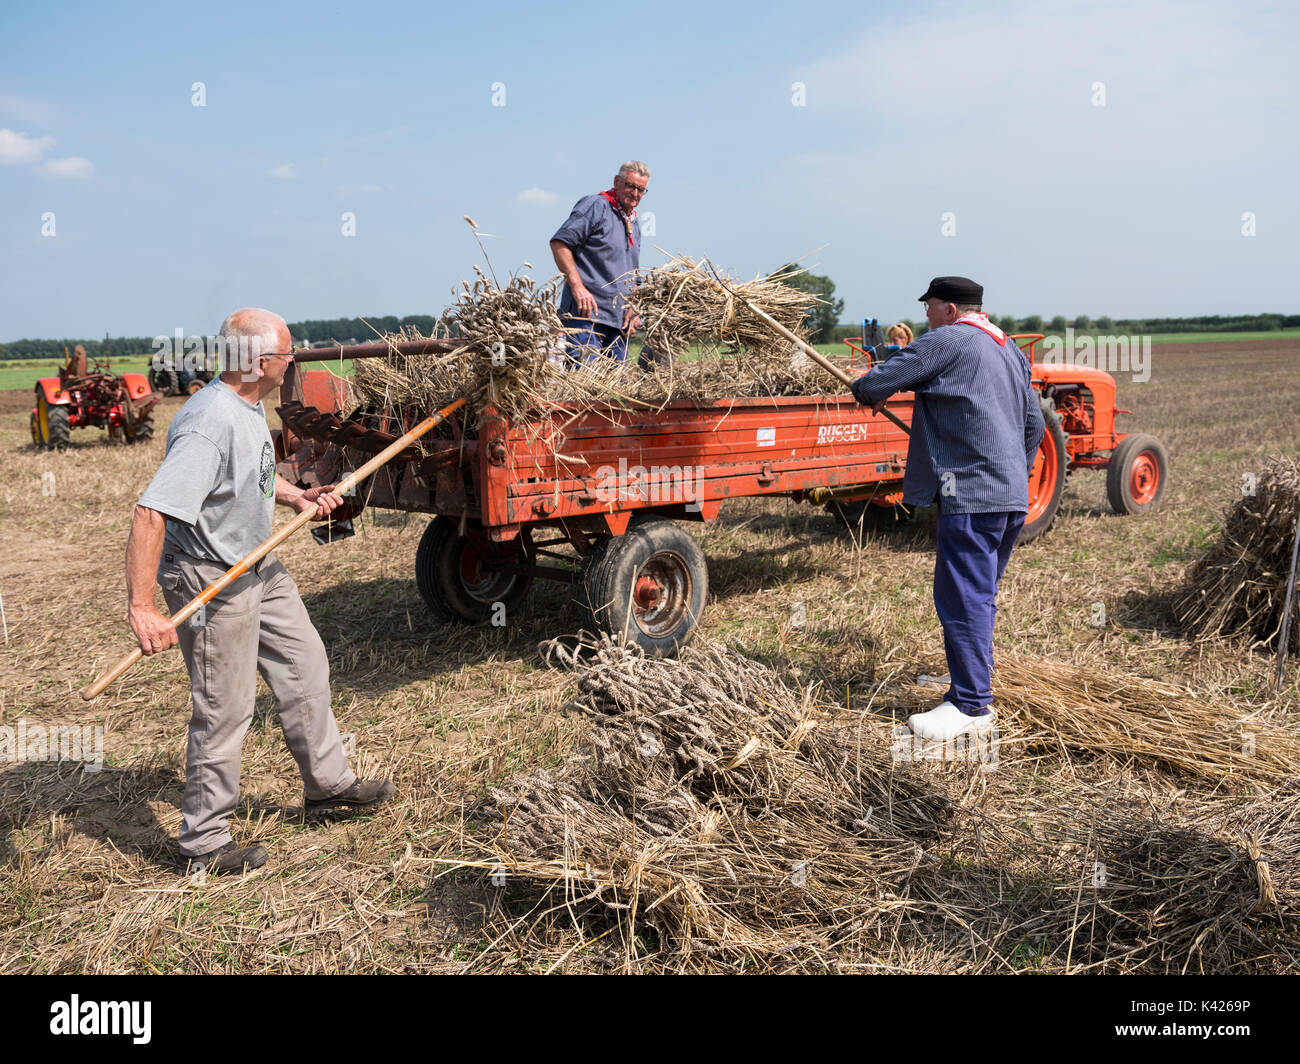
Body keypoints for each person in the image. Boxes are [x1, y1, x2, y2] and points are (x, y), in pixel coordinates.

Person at [127, 308, 396, 875]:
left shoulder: (248, 408)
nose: (293, 361)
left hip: (257, 563)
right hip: (209, 574)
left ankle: (327, 786)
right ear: (257, 362)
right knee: (226, 708)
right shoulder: (209, 423)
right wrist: (142, 606)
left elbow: (244, 481)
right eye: (286, 354)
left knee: (304, 662)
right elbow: (152, 511)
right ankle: (202, 842)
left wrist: (296, 497)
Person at [850, 277, 1045, 742]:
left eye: (931, 309)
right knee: (980, 593)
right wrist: (1013, 473)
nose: (926, 318)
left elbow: (877, 381)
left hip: (973, 498)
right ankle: (967, 678)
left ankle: (972, 706)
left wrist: (865, 387)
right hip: (1009, 496)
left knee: (961, 597)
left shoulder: (948, 340)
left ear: (951, 310)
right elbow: (1034, 424)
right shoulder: (1008, 347)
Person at [550, 161, 659, 368]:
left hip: (618, 323)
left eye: (641, 190)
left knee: (616, 393)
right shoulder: (596, 206)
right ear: (616, 182)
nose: (635, 193)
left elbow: (632, 274)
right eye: (630, 186)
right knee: (584, 387)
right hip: (585, 318)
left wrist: (634, 307)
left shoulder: (633, 222)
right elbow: (560, 244)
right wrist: (578, 287)